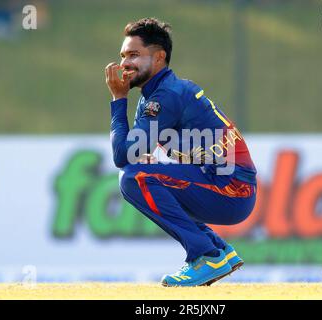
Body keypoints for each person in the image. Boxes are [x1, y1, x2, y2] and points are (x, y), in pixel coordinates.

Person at [104, 18, 257, 287]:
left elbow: (122, 157)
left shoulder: (165, 96)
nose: (125, 63)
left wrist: (118, 100)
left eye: (134, 55)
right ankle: (218, 250)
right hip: (230, 187)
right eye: (123, 55)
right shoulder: (161, 94)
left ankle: (206, 256)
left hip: (232, 190)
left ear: (159, 57)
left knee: (132, 179)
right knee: (143, 176)